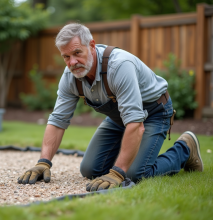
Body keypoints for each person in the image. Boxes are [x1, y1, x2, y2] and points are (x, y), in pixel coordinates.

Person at [17, 23, 203, 191]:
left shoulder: (119, 66)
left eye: (77, 53)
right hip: (120, 118)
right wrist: (43, 162)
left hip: (154, 113)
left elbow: (136, 123)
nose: (72, 62)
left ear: (91, 46)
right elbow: (58, 120)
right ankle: (130, 157)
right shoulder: (70, 77)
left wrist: (118, 172)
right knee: (90, 169)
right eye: (66, 56)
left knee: (134, 174)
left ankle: (185, 148)